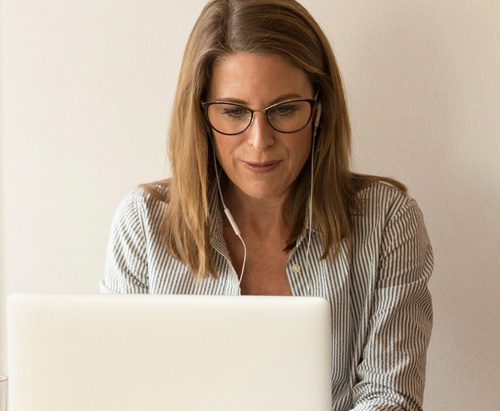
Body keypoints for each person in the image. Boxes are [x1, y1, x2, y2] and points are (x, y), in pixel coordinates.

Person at [100, 0, 433, 410]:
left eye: (285, 109)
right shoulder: (144, 224)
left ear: (320, 108)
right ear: (202, 115)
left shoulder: (387, 223)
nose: (260, 141)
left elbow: (391, 397)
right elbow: (119, 392)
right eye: (234, 111)